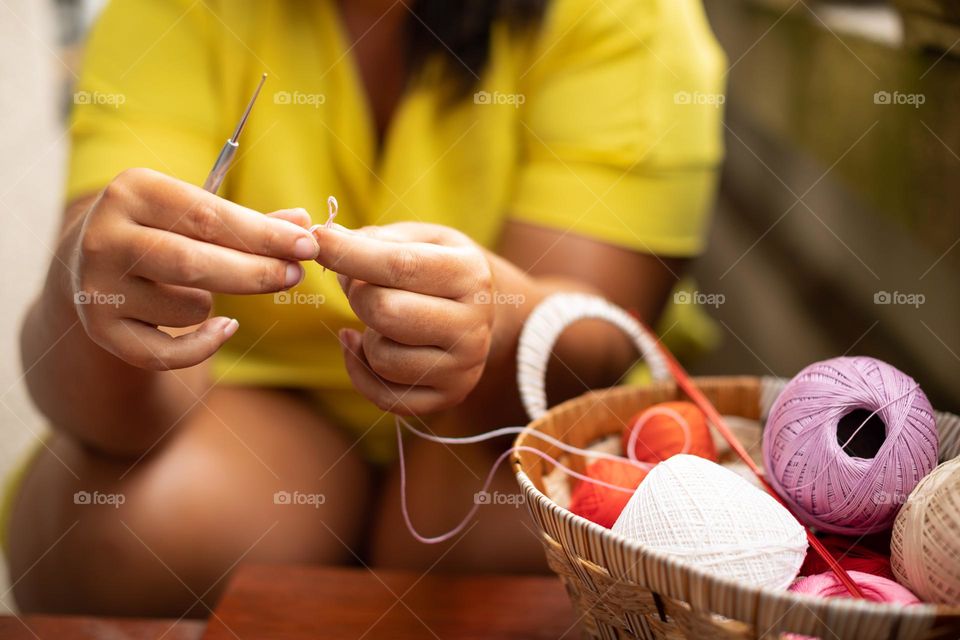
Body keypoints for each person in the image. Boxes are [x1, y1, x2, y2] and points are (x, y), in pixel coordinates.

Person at [8, 0, 725, 617]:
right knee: (123, 531)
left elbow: (587, 349)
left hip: (509, 426)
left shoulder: (624, 17)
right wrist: (91, 300)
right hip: (255, 408)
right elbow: (109, 401)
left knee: (528, 537)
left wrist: (492, 323)